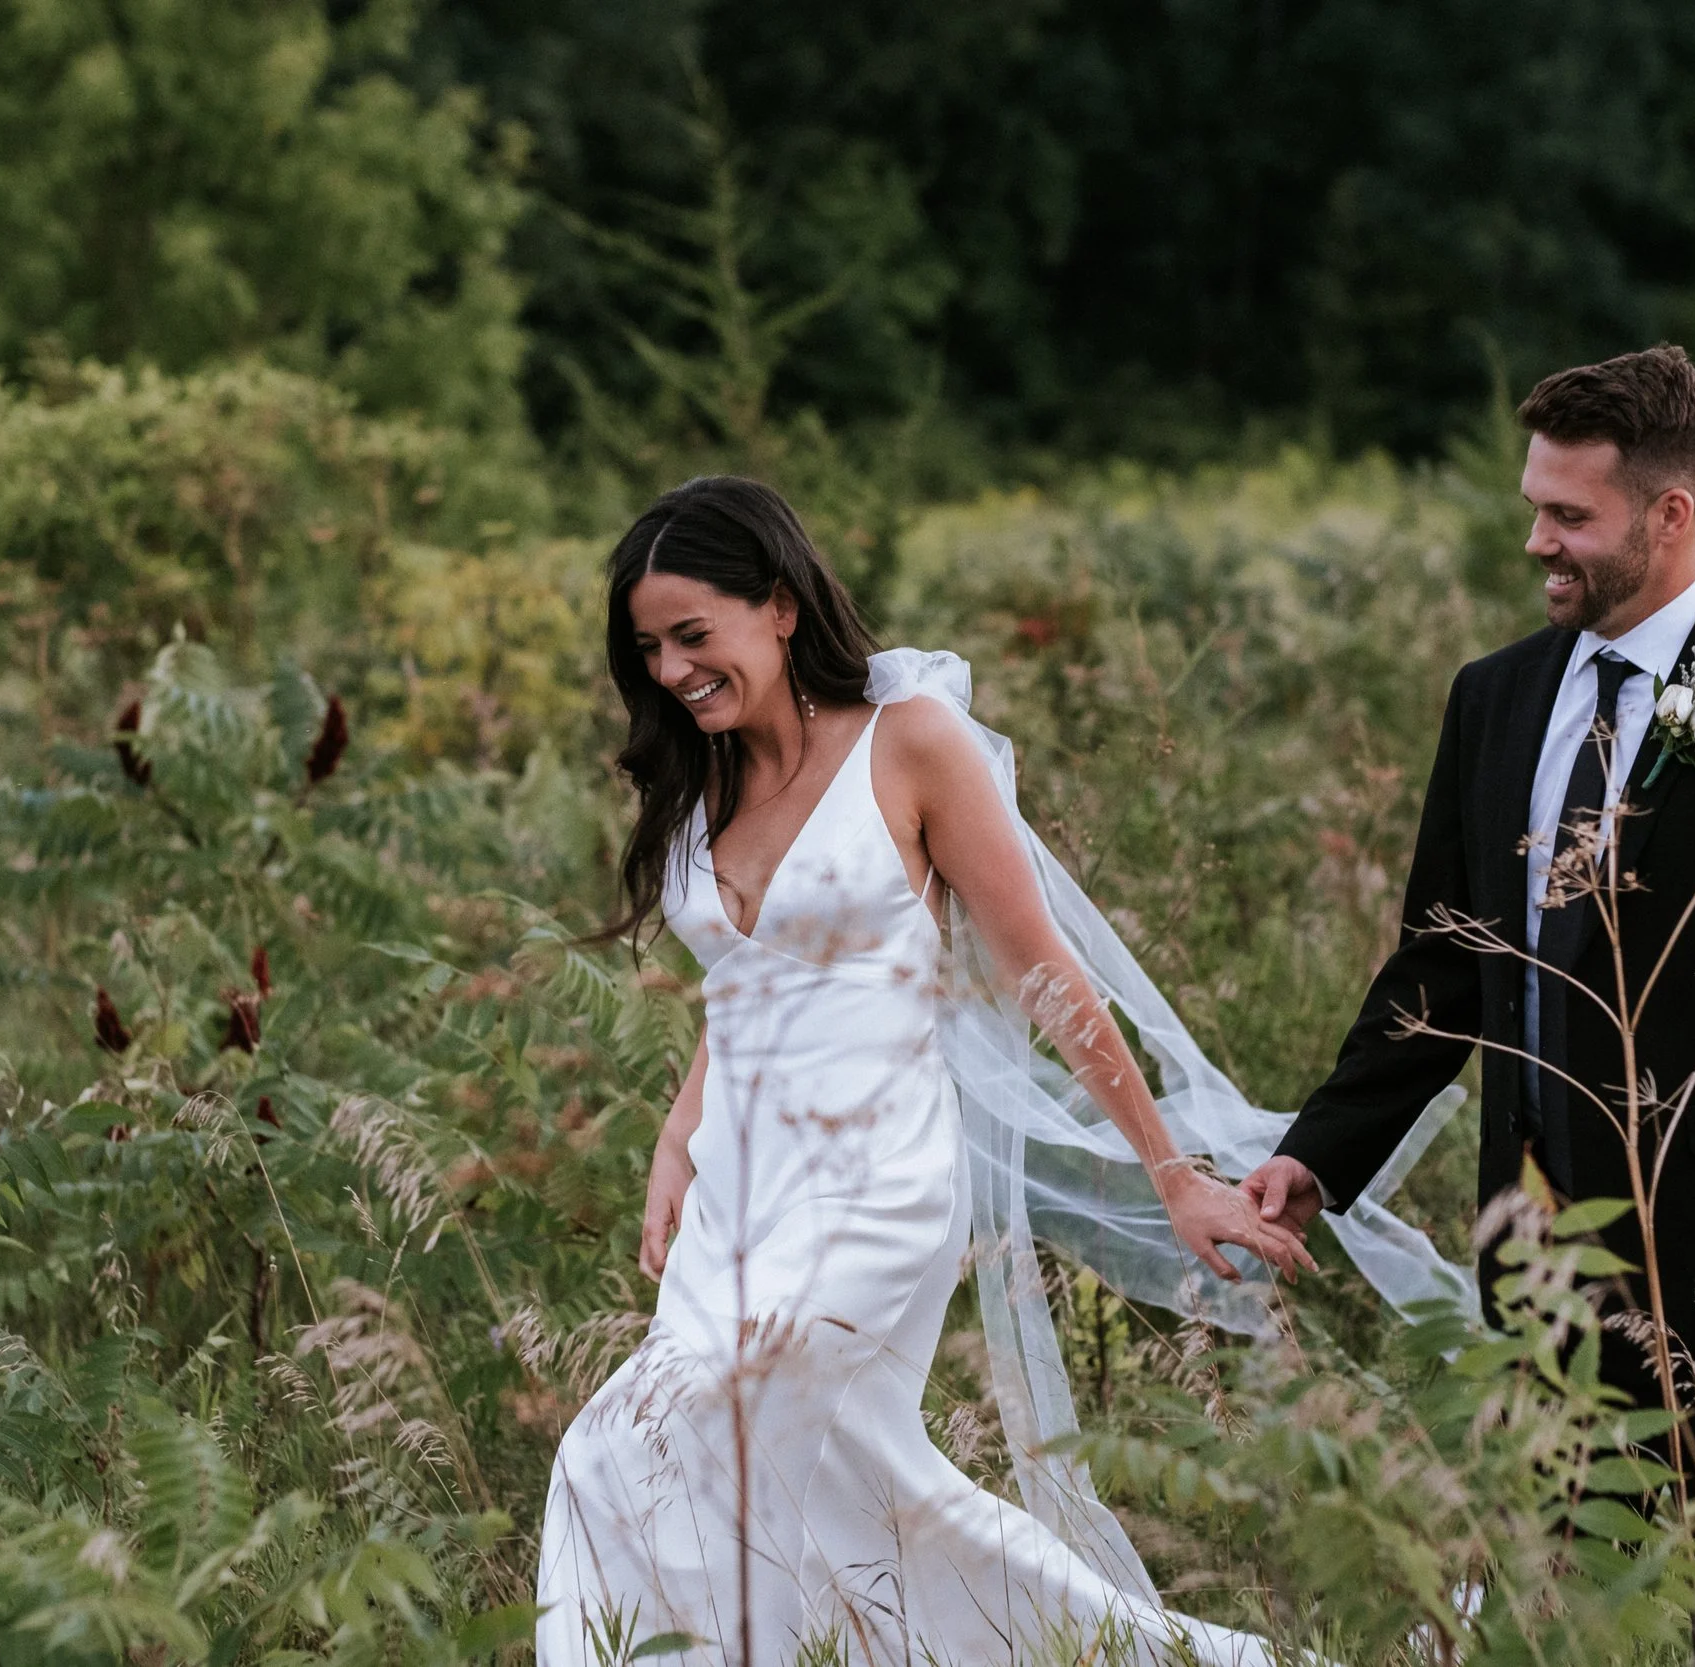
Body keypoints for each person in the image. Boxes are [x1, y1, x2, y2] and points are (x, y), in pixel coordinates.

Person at [533, 476, 1464, 1665]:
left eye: (690, 636)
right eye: (648, 648)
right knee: (827, 1497)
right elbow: (747, 985)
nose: (668, 671)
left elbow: (1048, 975)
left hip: (873, 1187)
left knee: (635, 1445)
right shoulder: (700, 778)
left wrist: (1174, 1173)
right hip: (737, 1194)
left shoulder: (908, 742)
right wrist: (677, 1134)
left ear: (775, 606)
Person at [1244, 345, 1695, 1549]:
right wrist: (1316, 1155)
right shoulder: (1493, 698)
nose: (1537, 543)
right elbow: (1440, 965)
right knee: (1562, 1590)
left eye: (1569, 515)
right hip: (1535, 1253)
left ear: (1668, 515)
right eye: (1534, 509)